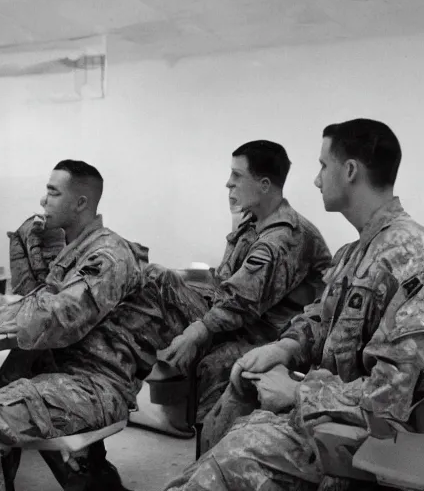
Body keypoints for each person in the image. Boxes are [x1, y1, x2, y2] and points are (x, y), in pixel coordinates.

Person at [167, 119, 424, 490]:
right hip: (327, 423)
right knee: (221, 445)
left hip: (363, 443)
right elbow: (323, 316)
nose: (317, 180)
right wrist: (285, 347)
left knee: (223, 467)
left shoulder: (410, 257)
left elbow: (392, 398)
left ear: (350, 170)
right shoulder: (357, 252)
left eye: (323, 166)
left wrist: (297, 392)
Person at [0, 160, 172, 491]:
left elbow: (60, 318)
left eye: (53, 192)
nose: (43, 201)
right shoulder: (75, 252)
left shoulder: (107, 254)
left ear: (80, 203)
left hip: (93, 386)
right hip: (59, 374)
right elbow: (39, 301)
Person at [151, 141, 331, 427]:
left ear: (264, 184)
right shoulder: (252, 224)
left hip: (279, 337)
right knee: (157, 280)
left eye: (237, 176)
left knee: (214, 361)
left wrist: (198, 332)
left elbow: (241, 303)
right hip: (249, 323)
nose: (228, 184)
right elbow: (224, 286)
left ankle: (211, 443)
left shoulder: (284, 237)